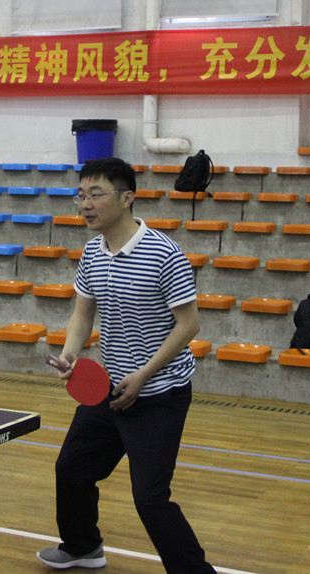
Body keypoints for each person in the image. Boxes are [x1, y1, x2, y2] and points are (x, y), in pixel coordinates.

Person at [37, 158, 215, 573]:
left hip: (159, 394)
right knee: (72, 469)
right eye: (81, 195)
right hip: (110, 388)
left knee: (150, 498)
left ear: (127, 198)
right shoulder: (92, 253)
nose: (85, 204)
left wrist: (144, 375)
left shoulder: (163, 254)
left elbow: (189, 324)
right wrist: (70, 353)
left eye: (96, 194)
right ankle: (83, 547)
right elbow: (83, 313)